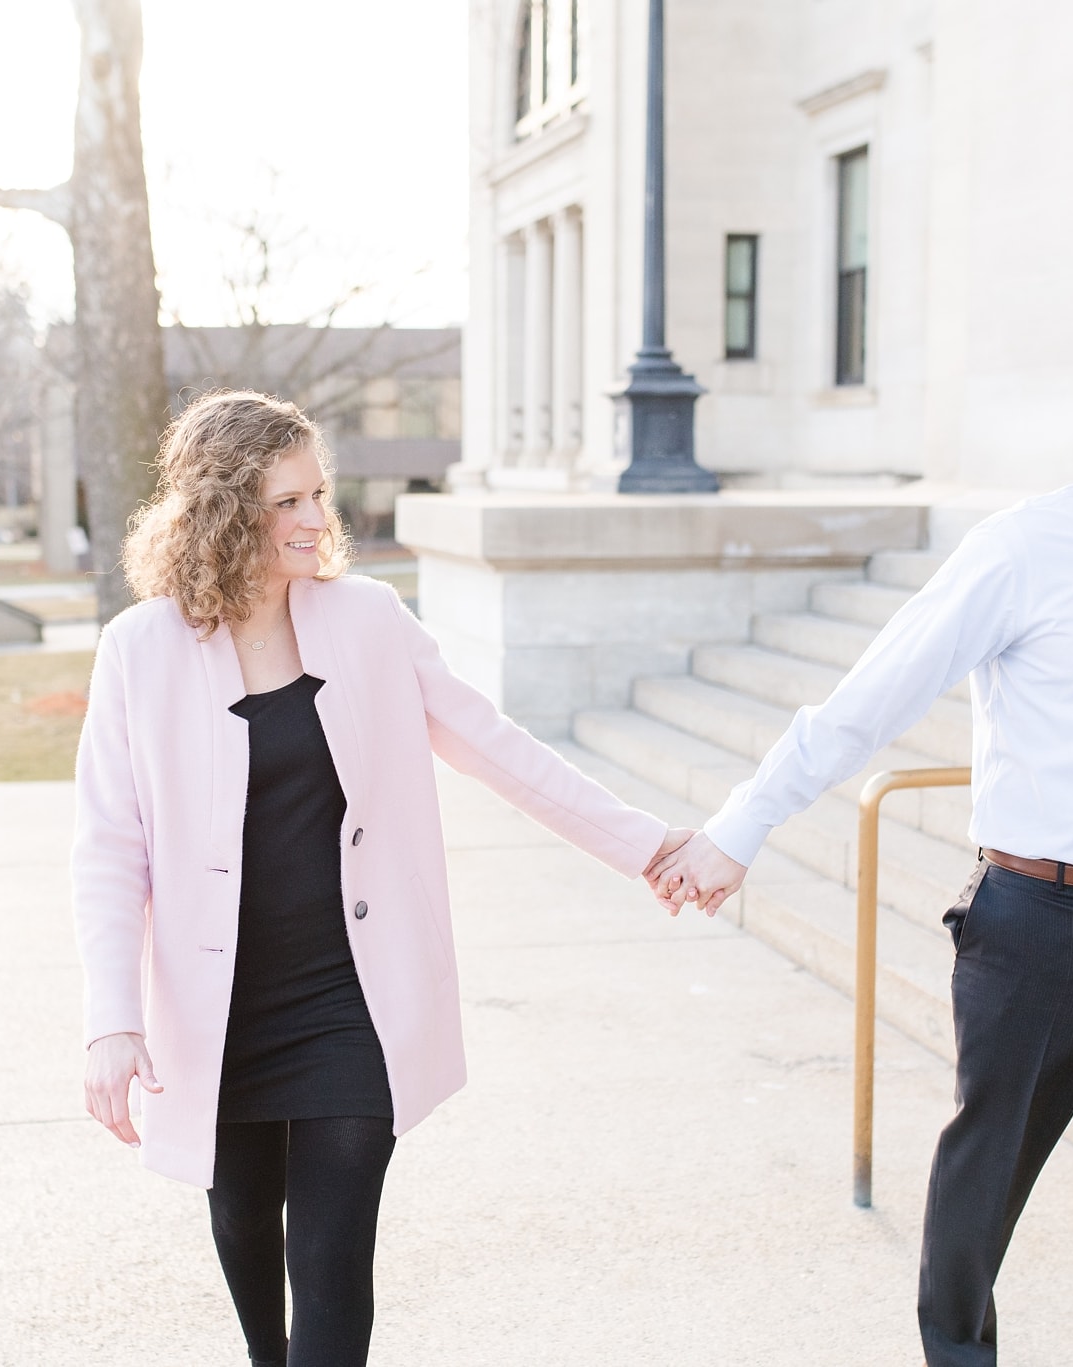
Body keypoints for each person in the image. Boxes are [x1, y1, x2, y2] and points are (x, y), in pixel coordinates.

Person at [652, 316, 1073, 1365]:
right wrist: (739, 826)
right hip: (1040, 923)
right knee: (978, 1194)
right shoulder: (1021, 548)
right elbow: (868, 700)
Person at [73, 390, 689, 1367]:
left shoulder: (365, 619)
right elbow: (109, 845)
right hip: (217, 1009)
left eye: (320, 492)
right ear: (223, 512)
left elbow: (496, 746)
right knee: (242, 1219)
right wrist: (114, 1017)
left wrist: (645, 844)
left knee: (327, 1255)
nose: (319, 518)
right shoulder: (138, 650)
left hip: (349, 998)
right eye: (288, 501)